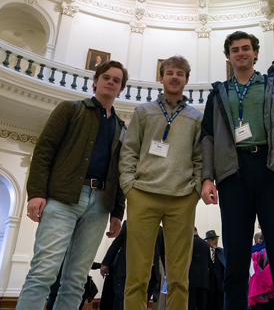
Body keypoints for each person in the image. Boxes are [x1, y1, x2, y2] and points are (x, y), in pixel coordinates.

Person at [201, 31, 274, 310]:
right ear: (229, 56)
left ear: (255, 53)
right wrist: (207, 177)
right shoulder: (218, 93)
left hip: (271, 171)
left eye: (246, 48)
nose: (241, 53)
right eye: (235, 49)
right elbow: (208, 138)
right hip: (233, 174)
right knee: (235, 261)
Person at [16, 60, 127, 310]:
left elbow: (120, 172)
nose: (111, 82)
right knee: (43, 272)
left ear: (121, 90)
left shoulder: (122, 128)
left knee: (76, 279)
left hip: (100, 205)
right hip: (63, 199)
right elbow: (44, 151)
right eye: (106, 77)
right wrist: (36, 194)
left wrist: (117, 212)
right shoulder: (69, 109)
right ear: (95, 81)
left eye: (116, 80)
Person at [120, 55, 203, 310]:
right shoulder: (143, 111)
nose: (175, 77)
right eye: (170, 72)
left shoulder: (196, 117)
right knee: (137, 270)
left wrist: (196, 190)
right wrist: (129, 186)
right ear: (161, 77)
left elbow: (200, 157)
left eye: (180, 73)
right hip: (143, 194)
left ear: (186, 79)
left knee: (179, 273)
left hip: (182, 198)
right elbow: (129, 150)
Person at [189, 227, 210, 310]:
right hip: (203, 280)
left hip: (191, 280)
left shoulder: (189, 243)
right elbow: (209, 263)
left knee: (191, 305)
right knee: (202, 306)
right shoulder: (206, 244)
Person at [205, 230, 225, 310]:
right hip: (209, 285)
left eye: (216, 239)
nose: (215, 241)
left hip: (220, 285)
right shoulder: (205, 252)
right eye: (213, 239)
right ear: (208, 241)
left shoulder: (221, 252)